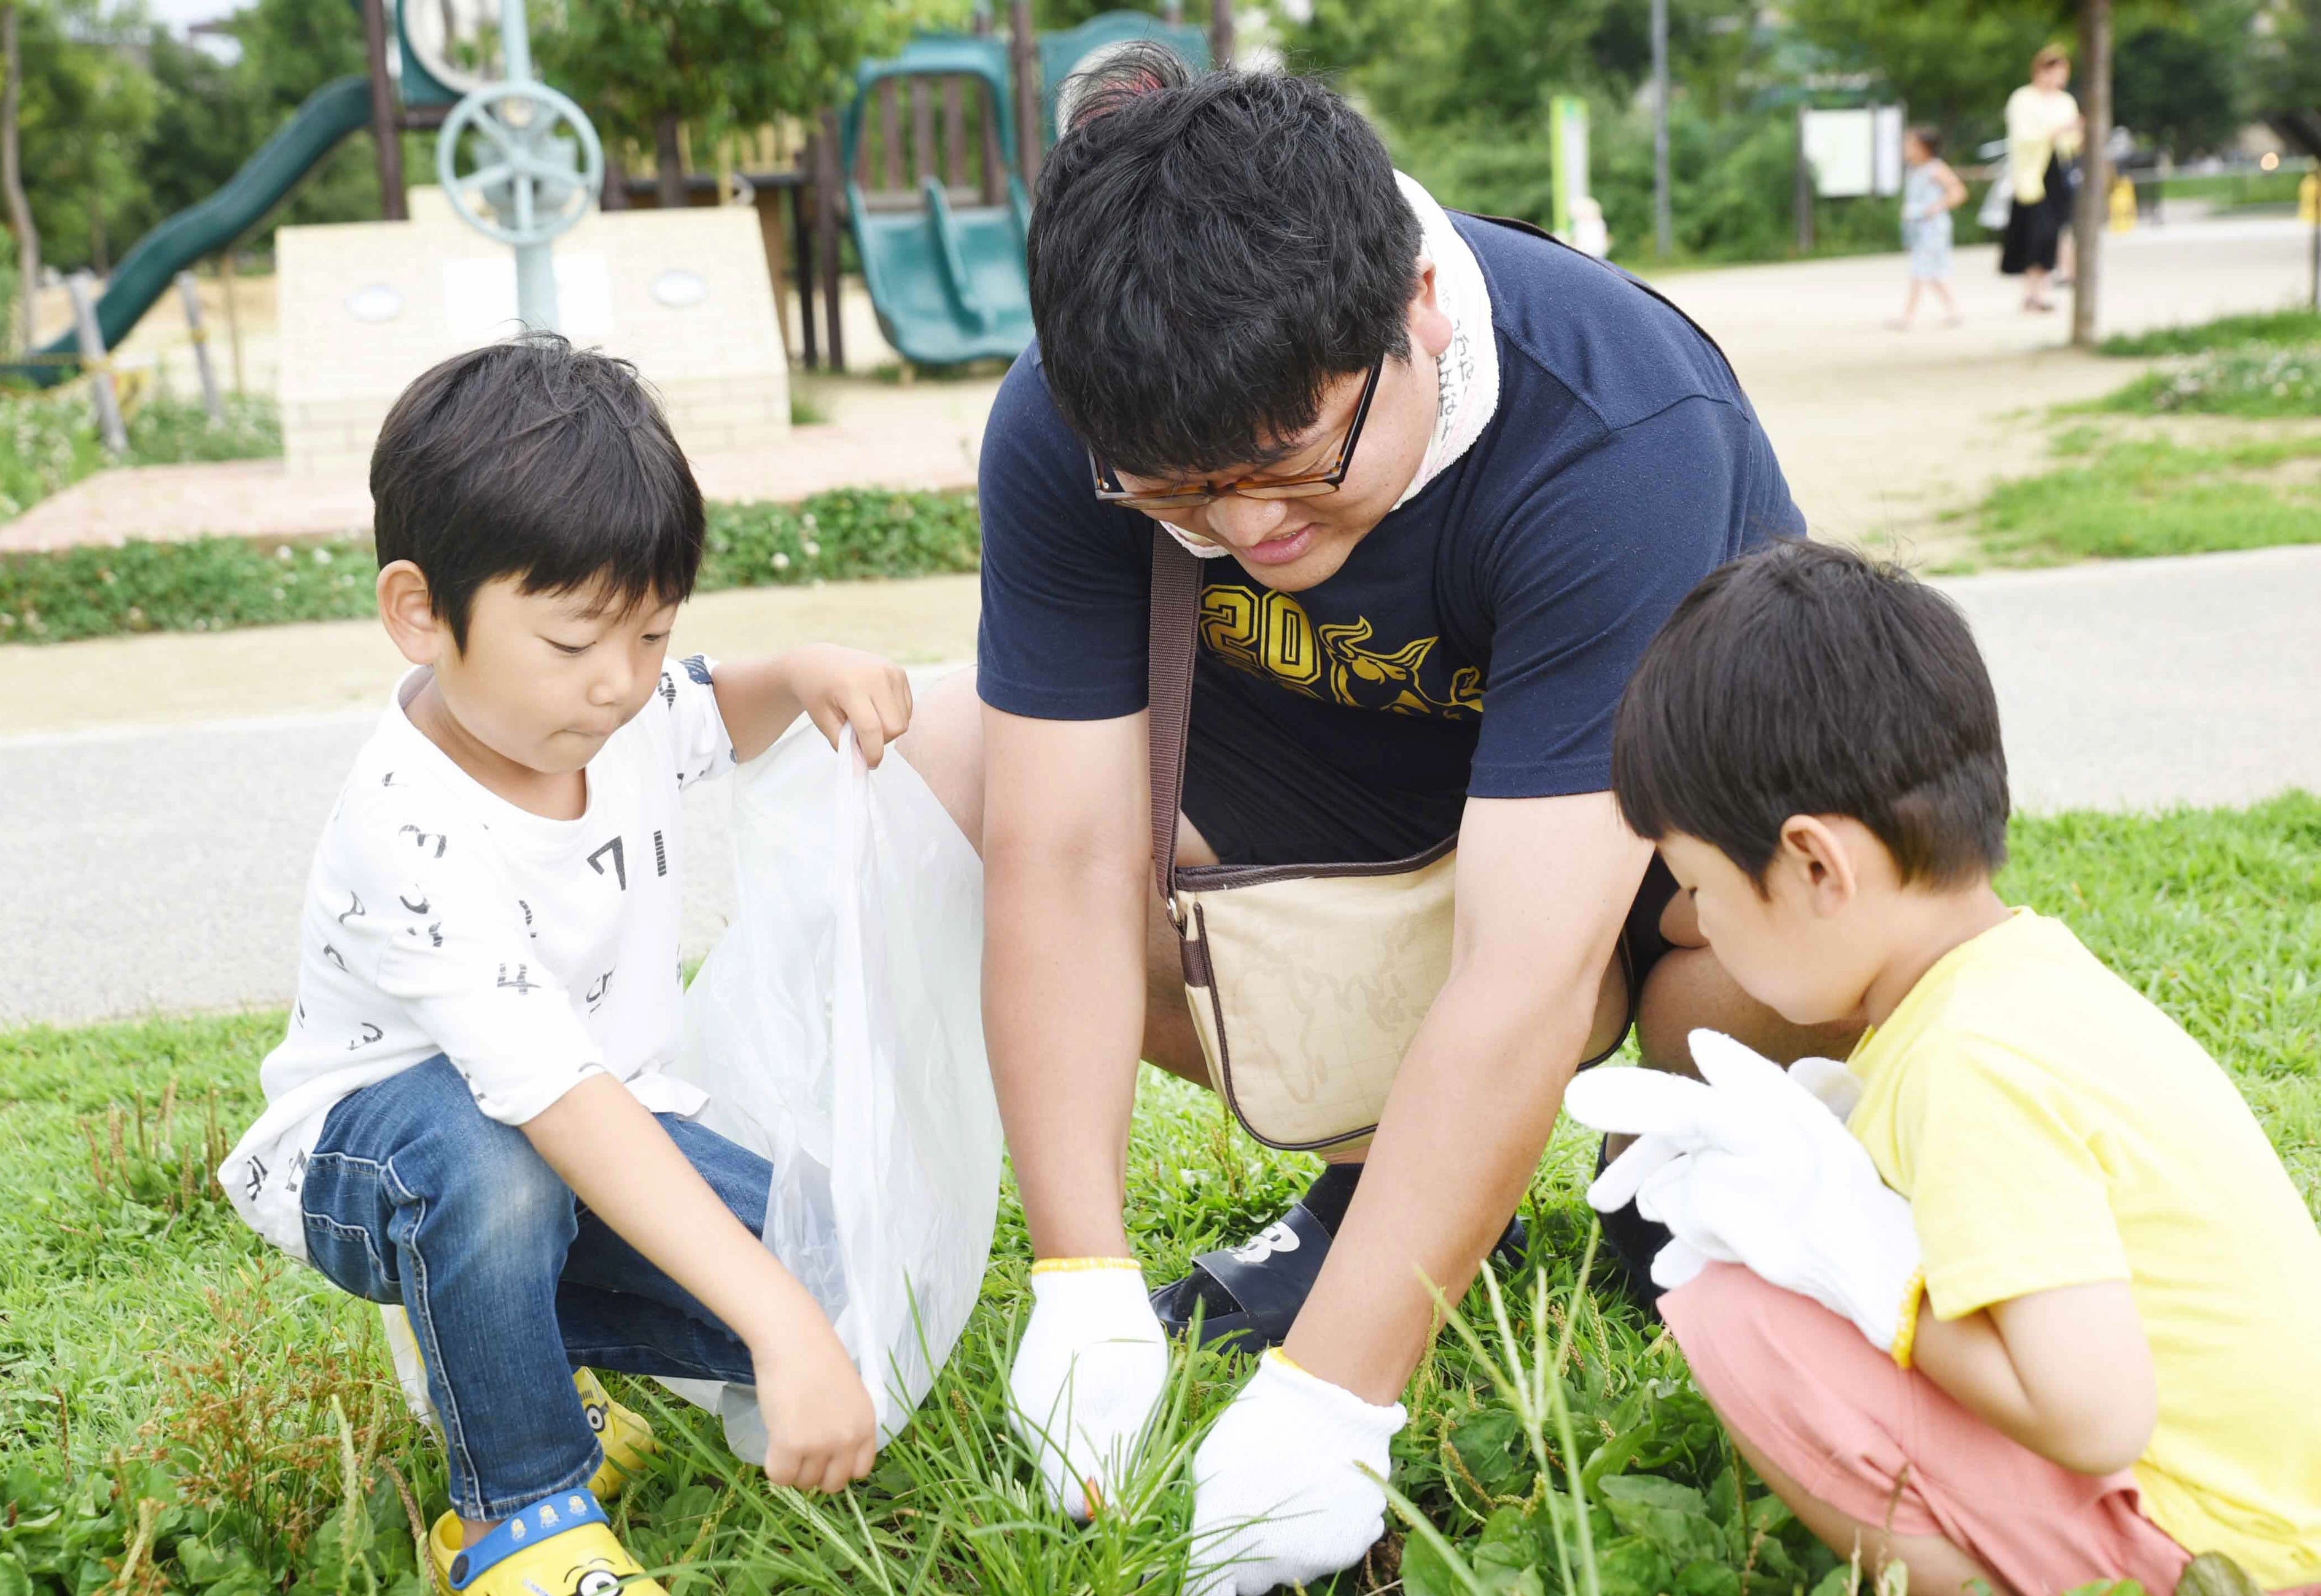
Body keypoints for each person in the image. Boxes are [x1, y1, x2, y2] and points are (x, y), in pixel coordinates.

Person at [890, 52, 1843, 1594]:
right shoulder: (1078, 420)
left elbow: (1532, 964)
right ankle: (1385, 1190)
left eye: (1289, 468)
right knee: (947, 761)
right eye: (1178, 496)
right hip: (1345, 834)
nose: (1244, 530)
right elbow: (1059, 859)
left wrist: (1331, 1400)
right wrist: (1081, 1273)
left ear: (1416, 309)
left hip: (1640, 870)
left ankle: (1666, 1166)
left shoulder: (1613, 429)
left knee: (1786, 953)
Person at [219, 336, 914, 1596]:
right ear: (419, 613)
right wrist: (776, 1320)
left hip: (583, 1121)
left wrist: (805, 673)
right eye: (574, 642)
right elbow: (556, 1104)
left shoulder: (620, 714)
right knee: (505, 1175)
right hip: (384, 1157)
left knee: (827, 1268)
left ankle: (494, 1339)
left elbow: (712, 706)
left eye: (651, 633)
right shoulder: (407, 828)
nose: (619, 685)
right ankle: (521, 1510)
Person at [1566, 541, 2321, 1596]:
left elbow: (2096, 1416)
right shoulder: (2023, 983)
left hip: (2230, 1559)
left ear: (1816, 864)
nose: (1693, 925)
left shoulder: (1969, 1063)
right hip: (2271, 1512)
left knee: (1738, 1314)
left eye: (1697, 887)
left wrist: (1871, 1278)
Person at [2001, 45, 2083, 314]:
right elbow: (2023, 137)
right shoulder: (2023, 99)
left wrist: (2075, 134)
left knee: (2053, 233)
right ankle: (2031, 291)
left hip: (2059, 171)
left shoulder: (2065, 101)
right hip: (2032, 174)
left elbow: (2072, 142)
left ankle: (2041, 289)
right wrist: (2057, 131)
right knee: (2035, 232)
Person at [1892, 126, 1966, 329]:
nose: (1906, 148)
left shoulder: (1936, 168)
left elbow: (1958, 192)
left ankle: (1908, 316)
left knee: (1920, 269)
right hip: (1917, 228)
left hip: (1932, 228)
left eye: (1911, 145)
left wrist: (1935, 207)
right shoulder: (1913, 169)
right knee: (1934, 272)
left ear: (1924, 147)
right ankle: (1954, 311)